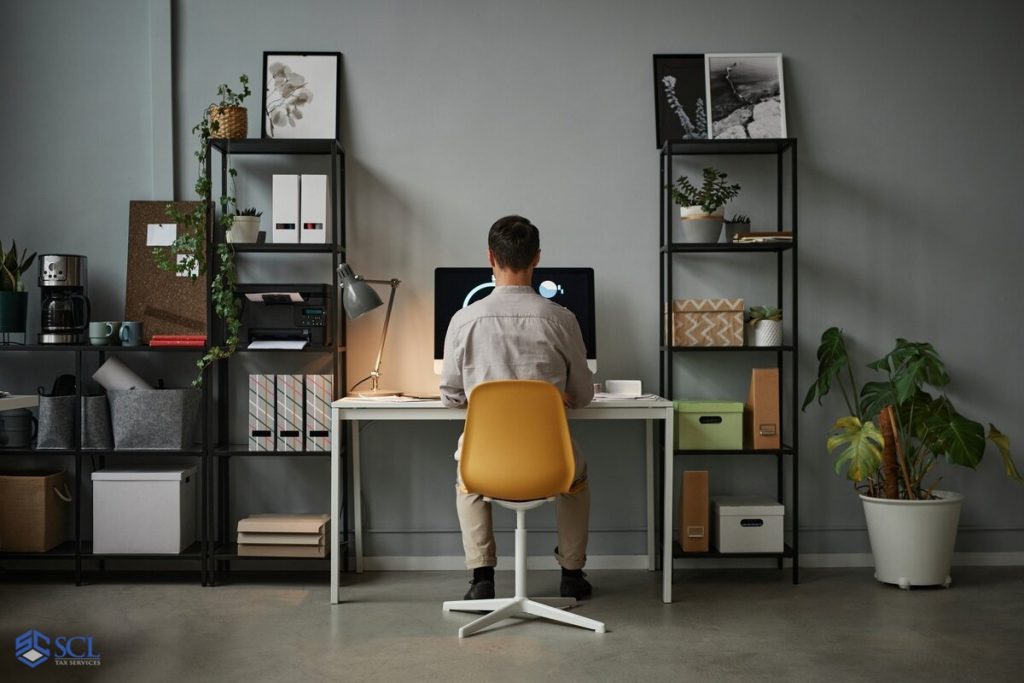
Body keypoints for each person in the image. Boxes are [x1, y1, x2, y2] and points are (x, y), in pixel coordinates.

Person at [440, 215, 595, 601]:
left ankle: (482, 577)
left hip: (488, 463)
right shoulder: (562, 319)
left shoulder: (463, 321)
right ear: (537, 258)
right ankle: (572, 574)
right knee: (577, 477)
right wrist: (549, 392)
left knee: (467, 475)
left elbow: (450, 397)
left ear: (490, 257)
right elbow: (585, 395)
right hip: (550, 463)